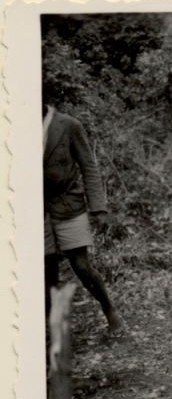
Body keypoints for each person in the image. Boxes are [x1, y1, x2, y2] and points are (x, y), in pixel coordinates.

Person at [43, 103, 124, 333]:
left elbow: (89, 166)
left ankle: (109, 310)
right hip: (36, 208)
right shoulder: (16, 126)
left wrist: (98, 208)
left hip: (68, 203)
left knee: (81, 265)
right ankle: (51, 330)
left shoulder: (68, 125)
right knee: (46, 270)